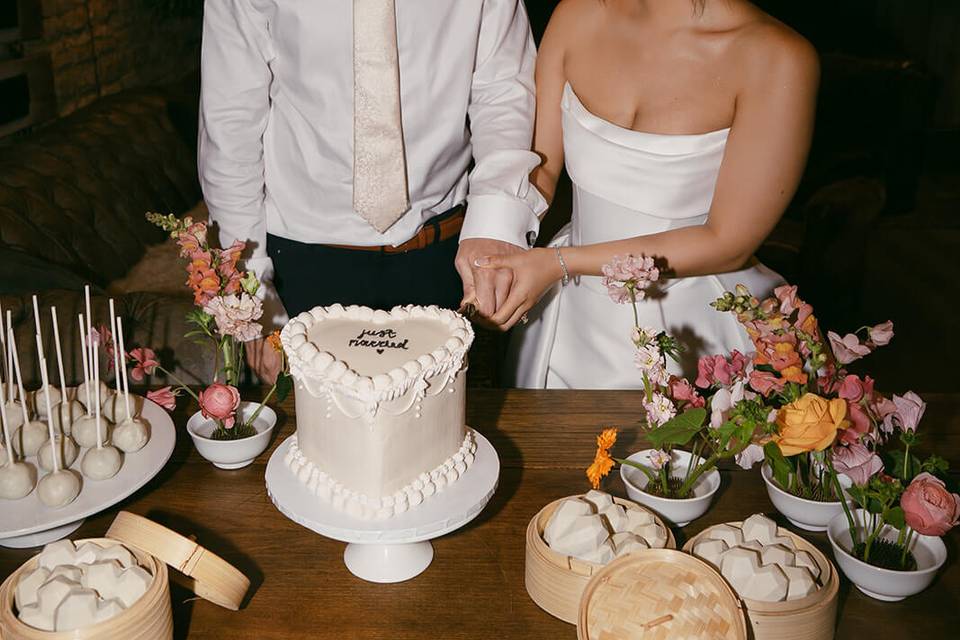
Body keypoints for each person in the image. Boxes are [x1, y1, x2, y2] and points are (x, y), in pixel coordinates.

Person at [198, 0, 548, 383]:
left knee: (441, 434)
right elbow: (230, 123)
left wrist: (495, 228)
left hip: (445, 255)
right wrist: (251, 298)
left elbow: (502, 93)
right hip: (296, 266)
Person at [479, 0, 819, 388]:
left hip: (695, 328)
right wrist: (495, 250)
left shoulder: (776, 57)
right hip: (566, 316)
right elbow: (541, 168)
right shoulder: (577, 15)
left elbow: (729, 242)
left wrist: (559, 262)